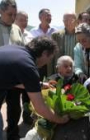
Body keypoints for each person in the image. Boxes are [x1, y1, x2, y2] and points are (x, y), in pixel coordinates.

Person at [0, 36, 69, 140]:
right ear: (45, 53)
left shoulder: (15, 50)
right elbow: (40, 108)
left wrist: (39, 84)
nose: (48, 62)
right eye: (50, 58)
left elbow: (10, 80)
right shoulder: (29, 67)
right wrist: (61, 120)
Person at [46, 55, 90, 140]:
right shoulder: (51, 80)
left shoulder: (78, 78)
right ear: (58, 69)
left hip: (75, 113)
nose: (69, 68)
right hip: (58, 115)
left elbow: (83, 95)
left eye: (71, 66)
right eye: (66, 66)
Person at [0, 0, 25, 139]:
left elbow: (22, 50)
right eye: (10, 14)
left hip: (15, 77)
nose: (13, 17)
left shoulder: (17, 29)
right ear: (1, 11)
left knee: (14, 108)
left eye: (14, 14)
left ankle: (12, 134)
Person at [15, 10, 34, 125]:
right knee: (14, 99)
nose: (24, 22)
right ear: (15, 20)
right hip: (14, 72)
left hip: (26, 71)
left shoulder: (30, 35)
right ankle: (13, 123)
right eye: (21, 19)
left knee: (27, 96)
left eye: (26, 19)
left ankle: (26, 117)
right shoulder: (10, 33)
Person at [30, 8, 57, 79]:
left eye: (50, 16)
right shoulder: (33, 31)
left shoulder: (55, 31)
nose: (49, 18)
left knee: (51, 80)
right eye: (47, 15)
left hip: (51, 62)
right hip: (38, 62)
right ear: (40, 17)